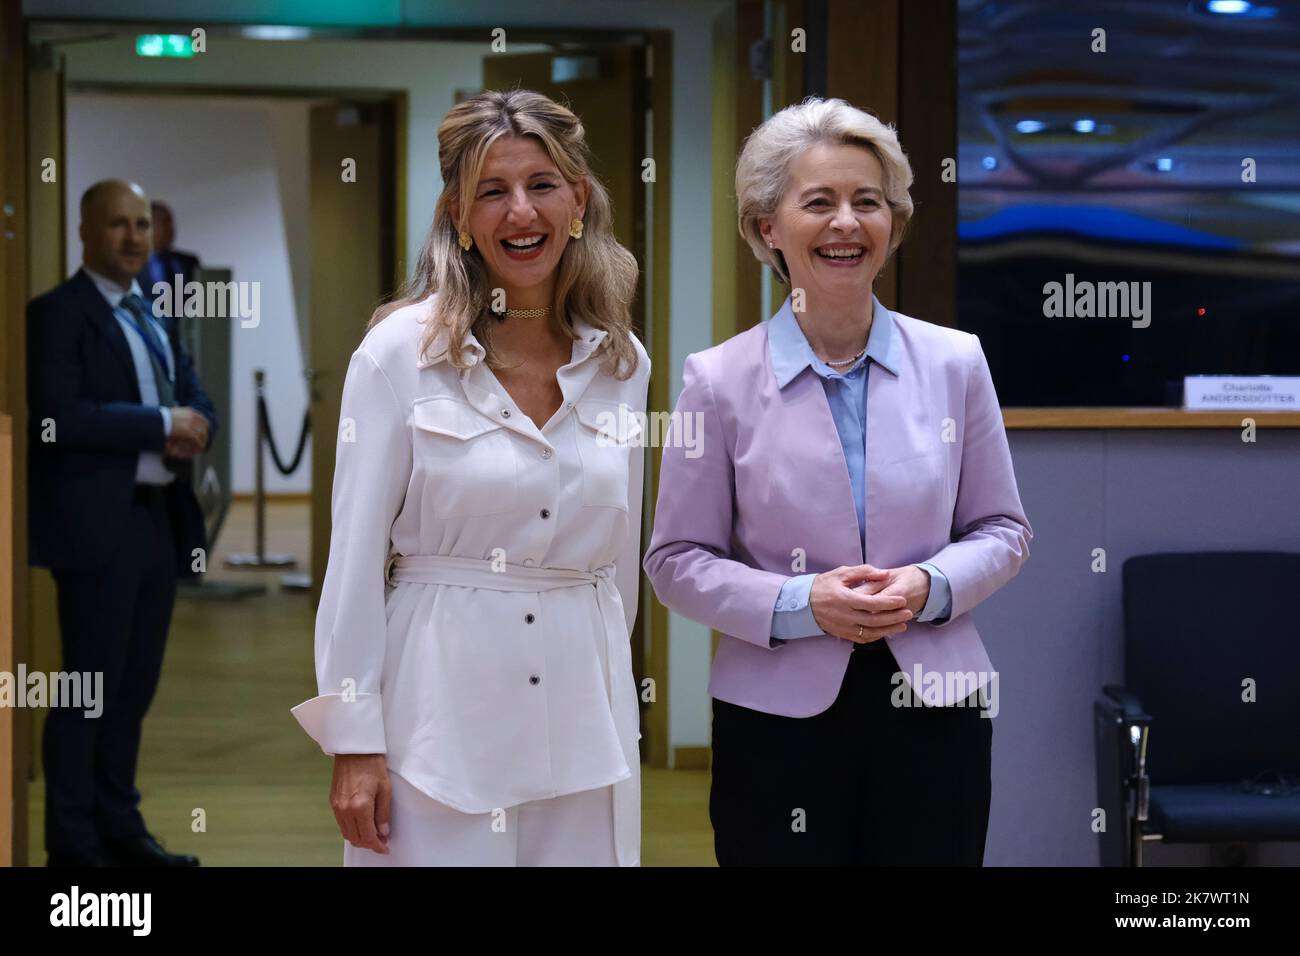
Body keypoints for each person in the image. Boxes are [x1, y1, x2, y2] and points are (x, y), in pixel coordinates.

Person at [643, 97, 1033, 866]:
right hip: (776, 718)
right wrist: (801, 602)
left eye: (869, 202)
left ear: (893, 222)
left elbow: (1004, 530)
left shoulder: (957, 363)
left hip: (936, 710)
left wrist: (929, 584)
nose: (847, 223)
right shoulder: (716, 381)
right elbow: (675, 561)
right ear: (767, 229)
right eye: (818, 203)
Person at [291, 89, 649, 867]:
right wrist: (355, 742)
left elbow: (618, 566)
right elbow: (352, 560)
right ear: (459, 214)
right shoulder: (398, 354)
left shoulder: (622, 362)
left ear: (578, 201)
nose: (521, 212)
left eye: (542, 185)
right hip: (439, 719)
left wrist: (612, 689)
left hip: (586, 719)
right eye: (493, 191)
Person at [28, 179, 216, 867]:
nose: (134, 237)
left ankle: (120, 829)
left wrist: (199, 424)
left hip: (156, 523)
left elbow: (193, 393)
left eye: (142, 224)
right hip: (93, 530)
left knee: (133, 690)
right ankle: (74, 847)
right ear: (86, 232)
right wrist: (163, 425)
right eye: (118, 225)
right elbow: (57, 418)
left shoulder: (151, 313)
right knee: (88, 689)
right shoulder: (56, 314)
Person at [139, 200, 201, 303]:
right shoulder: (134, 263)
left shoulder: (190, 261)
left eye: (171, 222)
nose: (171, 228)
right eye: (164, 222)